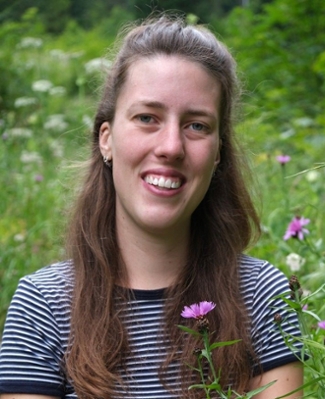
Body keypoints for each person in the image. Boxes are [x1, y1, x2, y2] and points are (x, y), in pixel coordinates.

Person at [0, 15, 304, 399]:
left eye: (196, 125)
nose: (171, 146)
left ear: (217, 154)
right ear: (106, 140)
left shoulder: (261, 296)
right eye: (147, 118)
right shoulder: (42, 307)